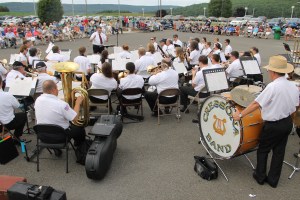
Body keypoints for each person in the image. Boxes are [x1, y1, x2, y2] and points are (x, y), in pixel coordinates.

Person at [233, 55, 299, 188]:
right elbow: (295, 106)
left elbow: (255, 104)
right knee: (279, 152)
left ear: (273, 71)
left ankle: (260, 176)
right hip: (287, 122)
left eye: (269, 70)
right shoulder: (293, 86)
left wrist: (240, 115)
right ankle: (273, 180)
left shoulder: (273, 87)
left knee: (263, 150)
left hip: (273, 124)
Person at [35, 80, 86, 149]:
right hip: (61, 137)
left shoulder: (37, 100)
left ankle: (55, 149)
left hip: (42, 136)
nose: (58, 90)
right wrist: (77, 103)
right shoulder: (61, 104)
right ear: (53, 90)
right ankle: (80, 148)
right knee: (79, 127)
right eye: (57, 88)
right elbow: (75, 118)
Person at [0, 75, 26, 142]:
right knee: (23, 115)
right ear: (1, 83)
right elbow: (17, 106)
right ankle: (16, 137)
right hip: (6, 124)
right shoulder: (7, 95)